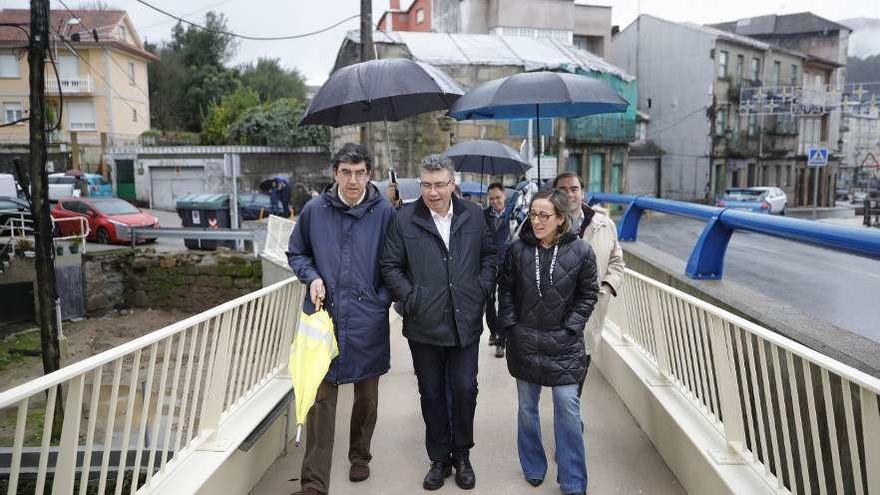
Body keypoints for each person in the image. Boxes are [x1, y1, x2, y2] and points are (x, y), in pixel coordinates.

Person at [380, 154, 495, 491]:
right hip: (423, 324)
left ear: (452, 184)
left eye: (439, 184)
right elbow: (390, 265)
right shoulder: (403, 219)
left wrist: (481, 290)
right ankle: (439, 458)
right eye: (426, 185)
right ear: (420, 184)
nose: (432, 192)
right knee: (430, 393)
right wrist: (410, 298)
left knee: (464, 389)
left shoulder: (474, 216)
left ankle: (462, 455)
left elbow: (489, 256)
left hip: (465, 320)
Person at [287, 143, 396, 495]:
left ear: (369, 174)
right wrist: (312, 276)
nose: (353, 180)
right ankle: (313, 485)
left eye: (360, 172)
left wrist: (382, 299)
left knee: (367, 398)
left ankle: (360, 456)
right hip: (325, 319)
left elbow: (395, 261)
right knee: (321, 403)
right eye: (346, 172)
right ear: (335, 173)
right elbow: (297, 252)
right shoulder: (314, 210)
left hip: (368, 319)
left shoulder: (384, 213)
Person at [498, 189, 599, 495]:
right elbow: (506, 290)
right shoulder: (517, 250)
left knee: (567, 406)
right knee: (527, 408)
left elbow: (588, 294)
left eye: (545, 215)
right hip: (525, 341)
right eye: (533, 214)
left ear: (560, 218)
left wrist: (571, 327)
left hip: (564, 344)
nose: (537, 221)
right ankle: (533, 465)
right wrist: (512, 326)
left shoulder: (581, 252)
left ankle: (573, 481)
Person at [553, 172, 625, 360]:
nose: (569, 194)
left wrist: (607, 287)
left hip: (589, 311)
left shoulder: (604, 225)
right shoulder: (540, 223)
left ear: (582, 193)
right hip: (552, 317)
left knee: (580, 368)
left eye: (574, 189)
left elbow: (617, 261)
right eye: (562, 189)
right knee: (559, 381)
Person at [483, 182, 512, 358]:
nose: (495, 201)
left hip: (507, 265)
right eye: (491, 198)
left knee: (504, 301)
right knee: (488, 300)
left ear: (504, 197)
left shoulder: (513, 215)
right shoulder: (482, 215)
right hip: (488, 263)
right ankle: (494, 332)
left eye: (498, 198)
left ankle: (501, 340)